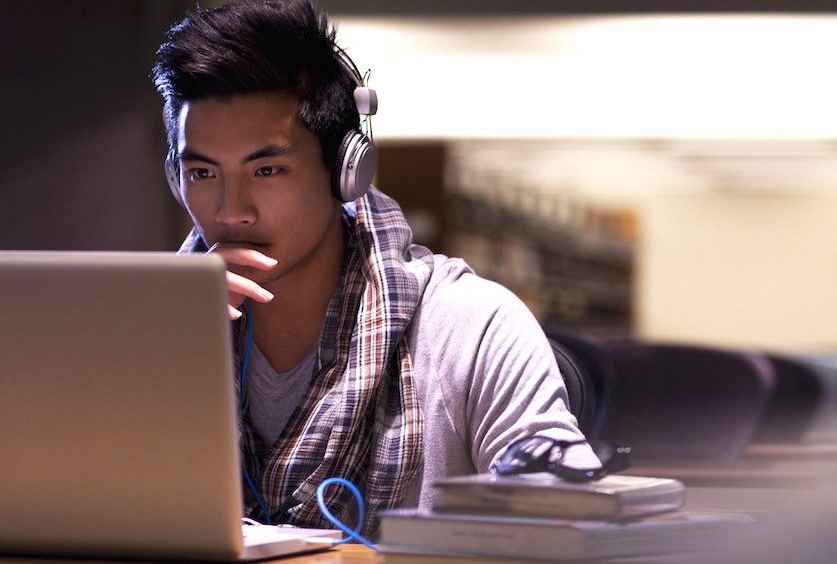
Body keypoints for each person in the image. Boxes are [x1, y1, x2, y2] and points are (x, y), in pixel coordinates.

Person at [150, 0, 585, 535]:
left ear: (345, 172)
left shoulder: (471, 327)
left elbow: (567, 518)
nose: (230, 211)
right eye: (202, 173)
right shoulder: (153, 332)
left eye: (267, 169)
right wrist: (166, 354)